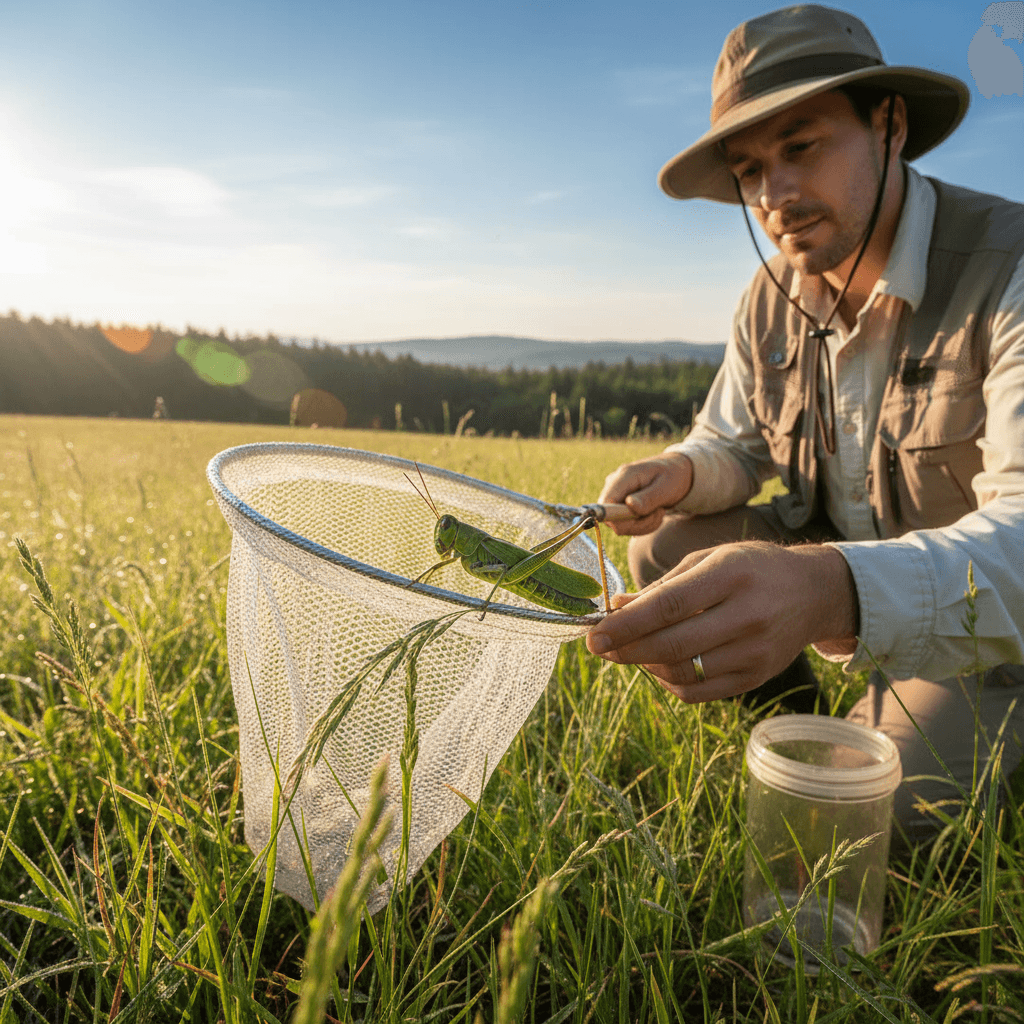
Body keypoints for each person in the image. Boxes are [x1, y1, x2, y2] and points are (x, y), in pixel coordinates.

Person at [586, 3, 1024, 845]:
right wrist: (684, 471)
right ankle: (794, 725)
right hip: (839, 576)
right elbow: (733, 440)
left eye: (802, 146)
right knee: (667, 547)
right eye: (750, 170)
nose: (774, 196)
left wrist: (827, 590)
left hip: (986, 624)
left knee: (866, 822)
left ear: (889, 126)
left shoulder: (1009, 264)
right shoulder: (769, 295)